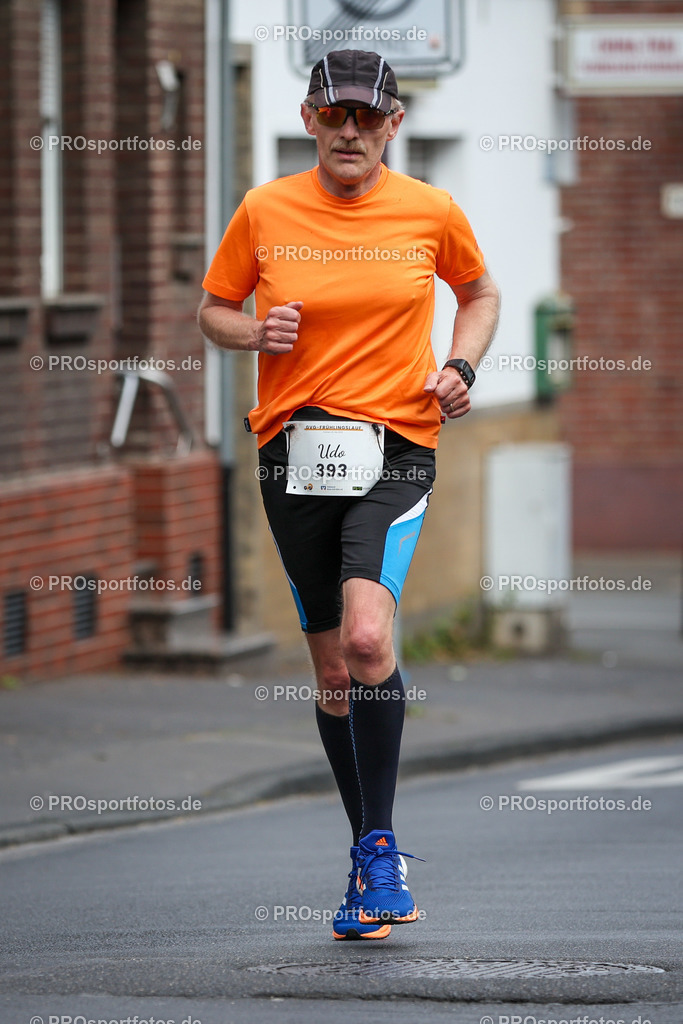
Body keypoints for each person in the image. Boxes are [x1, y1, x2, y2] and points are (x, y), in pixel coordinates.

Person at [198, 49, 499, 941]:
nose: (352, 131)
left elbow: (478, 292)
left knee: (369, 636)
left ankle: (379, 848)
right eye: (336, 116)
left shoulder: (430, 210)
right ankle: (367, 850)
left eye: (368, 117)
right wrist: (254, 329)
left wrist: (459, 364)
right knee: (333, 671)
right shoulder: (265, 209)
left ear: (393, 125)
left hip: (396, 444)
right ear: (309, 119)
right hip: (291, 451)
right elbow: (212, 310)